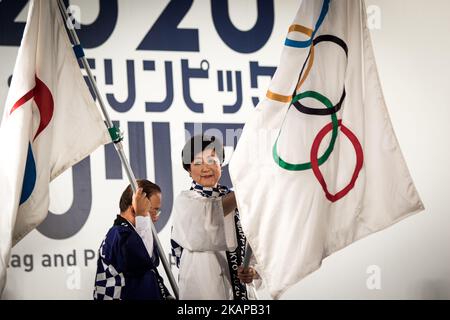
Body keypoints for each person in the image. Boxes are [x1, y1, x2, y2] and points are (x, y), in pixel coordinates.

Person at [171, 134, 259, 300]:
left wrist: (254, 271)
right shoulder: (185, 201)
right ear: (189, 170)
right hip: (202, 293)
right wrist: (244, 191)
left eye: (212, 160)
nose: (206, 168)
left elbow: (256, 244)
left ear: (221, 165)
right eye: (198, 162)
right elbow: (210, 215)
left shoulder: (240, 200)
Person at [93, 179, 171, 300]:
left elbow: (150, 270)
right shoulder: (117, 235)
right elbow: (141, 261)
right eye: (153, 210)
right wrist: (142, 215)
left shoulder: (132, 235)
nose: (156, 217)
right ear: (134, 208)